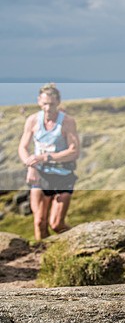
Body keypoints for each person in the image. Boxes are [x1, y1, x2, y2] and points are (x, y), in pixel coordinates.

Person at [17, 84, 80, 241]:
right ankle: (42, 258)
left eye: (51, 104)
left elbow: (74, 151)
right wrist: (30, 164)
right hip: (41, 175)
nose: (47, 108)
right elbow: (23, 147)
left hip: (62, 175)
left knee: (56, 224)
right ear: (39, 101)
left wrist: (47, 157)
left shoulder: (67, 122)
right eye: (44, 104)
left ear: (58, 102)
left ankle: (79, 240)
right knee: (39, 222)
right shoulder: (32, 120)